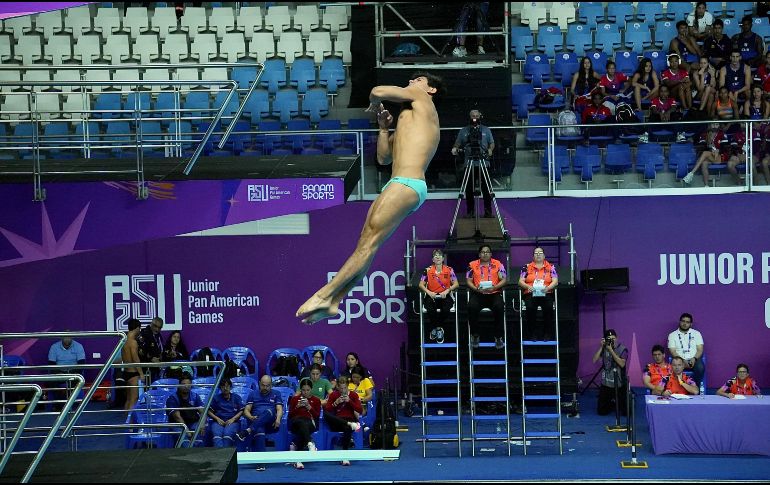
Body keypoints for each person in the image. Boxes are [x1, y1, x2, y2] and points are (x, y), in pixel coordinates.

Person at [296, 72, 444, 325]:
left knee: (368, 242)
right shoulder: (410, 119)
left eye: (419, 80)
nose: (413, 81)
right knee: (367, 244)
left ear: (430, 90)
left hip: (407, 184)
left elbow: (377, 91)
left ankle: (324, 294)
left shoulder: (422, 99)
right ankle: (335, 301)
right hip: (401, 184)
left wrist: (375, 103)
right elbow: (383, 158)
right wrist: (384, 129)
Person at [451, 109, 495, 218]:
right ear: (469, 117)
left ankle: (488, 212)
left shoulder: (486, 130)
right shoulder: (464, 130)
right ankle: (470, 212)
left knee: (486, 188)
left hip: (483, 162)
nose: (474, 117)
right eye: (472, 115)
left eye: (476, 115)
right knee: (469, 189)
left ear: (480, 116)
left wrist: (490, 150)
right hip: (469, 162)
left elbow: (492, 143)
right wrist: (455, 148)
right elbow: (458, 142)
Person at [238, 375, 284, 471]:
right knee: (259, 430)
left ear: (271, 385)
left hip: (271, 424)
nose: (265, 388)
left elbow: (279, 409)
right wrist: (250, 416)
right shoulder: (253, 394)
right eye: (263, 385)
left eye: (268, 386)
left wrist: (278, 419)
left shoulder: (276, 393)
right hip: (255, 422)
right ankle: (261, 463)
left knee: (269, 411)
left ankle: (247, 431)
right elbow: (246, 410)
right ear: (259, 384)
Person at [466, 244, 507, 349]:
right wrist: (476, 289)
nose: (485, 254)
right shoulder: (472, 265)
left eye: (487, 252)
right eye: (483, 252)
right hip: (478, 293)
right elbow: (468, 281)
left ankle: (498, 336)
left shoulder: (498, 264)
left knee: (499, 306)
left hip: (494, 293)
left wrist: (495, 287)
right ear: (479, 254)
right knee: (471, 307)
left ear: (491, 254)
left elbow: (504, 279)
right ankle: (475, 335)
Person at [418, 248, 459, 343]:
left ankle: (435, 328)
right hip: (432, 295)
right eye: (435, 255)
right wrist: (429, 292)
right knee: (430, 309)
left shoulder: (449, 270)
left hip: (445, 295)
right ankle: (439, 329)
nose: (437, 257)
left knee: (446, 309)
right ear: (433, 259)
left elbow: (456, 284)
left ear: (443, 258)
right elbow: (421, 284)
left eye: (439, 255)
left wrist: (447, 290)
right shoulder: (427, 270)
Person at [518, 247, 558, 341]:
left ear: (544, 256)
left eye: (540, 252)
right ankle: (532, 334)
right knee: (530, 307)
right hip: (531, 293)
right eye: (536, 253)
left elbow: (555, 280)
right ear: (533, 256)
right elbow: (520, 281)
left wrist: (548, 288)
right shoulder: (526, 267)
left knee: (548, 307)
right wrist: (528, 287)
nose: (538, 254)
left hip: (546, 292)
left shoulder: (551, 267)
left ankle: (547, 333)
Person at [324, 375, 363, 466]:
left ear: (348, 386)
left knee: (347, 427)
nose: (343, 390)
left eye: (345, 388)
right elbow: (327, 409)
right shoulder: (333, 395)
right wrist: (336, 403)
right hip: (337, 421)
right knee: (326, 415)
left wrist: (350, 401)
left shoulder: (353, 395)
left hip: (350, 420)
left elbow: (360, 410)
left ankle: (345, 455)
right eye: (341, 388)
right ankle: (349, 424)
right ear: (337, 387)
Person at [592, 329, 628, 416]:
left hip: (619, 383)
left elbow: (622, 364)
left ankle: (617, 402)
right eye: (609, 339)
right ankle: (612, 403)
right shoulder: (604, 348)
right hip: (606, 383)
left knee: (626, 413)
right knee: (601, 412)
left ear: (617, 338)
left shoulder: (622, 349)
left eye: (613, 338)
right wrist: (601, 347)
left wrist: (611, 350)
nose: (612, 340)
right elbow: (594, 360)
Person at [288, 378, 321, 470]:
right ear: (300, 389)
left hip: (310, 423)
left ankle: (296, 453)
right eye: (303, 390)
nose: (305, 392)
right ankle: (310, 443)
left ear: (311, 389)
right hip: (296, 423)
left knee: (303, 426)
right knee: (301, 422)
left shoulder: (316, 400)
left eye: (308, 390)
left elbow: (317, 416)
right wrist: (297, 407)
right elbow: (290, 415)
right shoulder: (295, 399)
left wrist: (309, 407)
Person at [47, 335, 86, 411]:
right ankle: (61, 404)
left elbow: (81, 364)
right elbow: (51, 364)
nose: (67, 339)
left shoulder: (78, 346)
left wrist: (73, 374)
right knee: (51, 382)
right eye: (65, 337)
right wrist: (59, 373)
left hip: (74, 373)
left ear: (72, 337)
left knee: (77, 380)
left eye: (69, 337)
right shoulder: (54, 347)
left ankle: (66, 405)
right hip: (58, 373)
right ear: (61, 337)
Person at [166, 372, 205, 447]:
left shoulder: (195, 396)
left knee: (199, 435)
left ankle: (198, 455)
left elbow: (203, 412)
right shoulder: (172, 398)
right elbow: (177, 417)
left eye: (188, 384)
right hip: (178, 424)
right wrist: (187, 431)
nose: (186, 386)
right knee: (184, 440)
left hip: (193, 422)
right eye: (183, 384)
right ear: (179, 385)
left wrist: (202, 425)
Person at [667, 312, 705, 387]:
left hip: (694, 359)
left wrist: (694, 359)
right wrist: (682, 360)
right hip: (679, 360)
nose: (685, 324)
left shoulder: (697, 334)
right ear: (680, 322)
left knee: (700, 368)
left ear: (691, 324)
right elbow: (672, 351)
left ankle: (695, 388)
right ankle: (676, 388)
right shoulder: (672, 335)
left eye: (687, 322)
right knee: (675, 366)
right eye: (683, 321)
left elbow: (700, 349)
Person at [208, 377, 244, 448]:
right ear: (220, 388)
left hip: (233, 422)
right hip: (218, 421)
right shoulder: (216, 398)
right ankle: (220, 456)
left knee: (227, 435)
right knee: (217, 436)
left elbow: (242, 411)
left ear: (230, 387)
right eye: (223, 386)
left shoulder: (236, 397)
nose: (225, 388)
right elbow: (208, 411)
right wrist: (217, 419)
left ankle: (226, 456)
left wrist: (233, 419)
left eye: (227, 386)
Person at [122, 319, 145, 412]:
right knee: (133, 399)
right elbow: (135, 359)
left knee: (128, 399)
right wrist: (141, 374)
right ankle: (130, 424)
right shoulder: (133, 342)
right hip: (133, 374)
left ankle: (127, 423)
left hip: (126, 373)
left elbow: (124, 358)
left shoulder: (124, 340)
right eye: (139, 329)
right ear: (137, 328)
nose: (139, 331)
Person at [138, 317, 164, 382]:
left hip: (156, 369)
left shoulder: (159, 336)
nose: (157, 329)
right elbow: (139, 352)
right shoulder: (144, 334)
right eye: (155, 326)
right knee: (148, 390)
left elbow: (159, 348)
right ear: (151, 324)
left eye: (159, 327)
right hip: (146, 369)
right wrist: (151, 358)